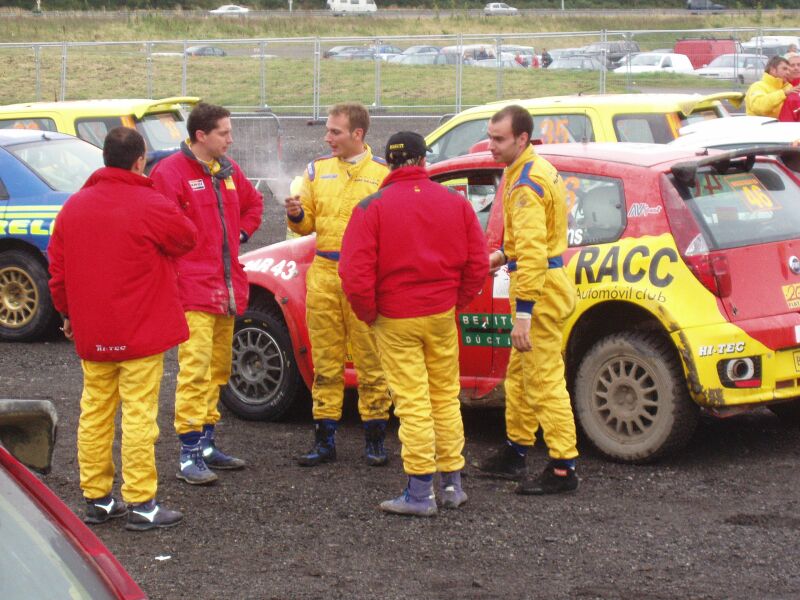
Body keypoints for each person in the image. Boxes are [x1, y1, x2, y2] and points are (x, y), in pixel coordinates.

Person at [48, 127, 197, 531]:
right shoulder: (151, 203)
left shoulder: (75, 206)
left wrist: (66, 314)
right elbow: (187, 238)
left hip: (93, 333)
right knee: (138, 415)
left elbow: (57, 271)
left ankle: (97, 499)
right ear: (139, 160)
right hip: (141, 333)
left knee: (94, 412)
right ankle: (142, 503)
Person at [339, 132, 488, 517]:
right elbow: (477, 262)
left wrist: (370, 313)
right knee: (444, 397)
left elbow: (354, 274)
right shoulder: (455, 202)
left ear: (389, 163)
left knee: (413, 402)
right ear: (424, 160)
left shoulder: (371, 207)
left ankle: (420, 491)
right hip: (440, 315)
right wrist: (456, 300)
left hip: (395, 317)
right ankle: (452, 483)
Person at [150, 102, 263, 486]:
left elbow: (253, 204)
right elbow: (160, 227)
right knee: (194, 371)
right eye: (224, 133)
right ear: (201, 135)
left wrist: (241, 234)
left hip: (226, 289)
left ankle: (208, 443)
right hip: (193, 291)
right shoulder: (170, 173)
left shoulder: (228, 172)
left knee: (218, 369)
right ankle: (188, 452)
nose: (230, 140)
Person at [475, 105, 579, 495]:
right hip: (541, 284)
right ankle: (516, 450)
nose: (491, 145)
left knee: (544, 380)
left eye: (499, 139)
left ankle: (563, 467)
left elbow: (535, 253)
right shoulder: (529, 169)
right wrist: (501, 256)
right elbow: (529, 245)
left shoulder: (525, 184)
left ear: (521, 139)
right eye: (490, 136)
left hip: (540, 292)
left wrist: (524, 315)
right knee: (519, 377)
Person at [284, 102, 392, 467]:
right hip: (325, 274)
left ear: (357, 134)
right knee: (325, 360)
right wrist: (297, 214)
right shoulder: (316, 171)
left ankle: (375, 438)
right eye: (328, 131)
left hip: (364, 277)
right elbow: (306, 224)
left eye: (335, 131)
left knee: (370, 360)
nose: (327, 137)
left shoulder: (382, 174)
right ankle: (324, 439)